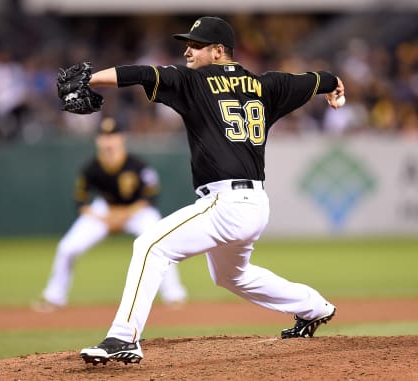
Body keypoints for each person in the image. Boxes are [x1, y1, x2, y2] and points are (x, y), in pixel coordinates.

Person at [61, 16, 344, 365]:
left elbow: (142, 74)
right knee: (230, 275)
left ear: (219, 51)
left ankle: (123, 337)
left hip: (226, 203)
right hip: (254, 203)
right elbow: (315, 80)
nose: (187, 51)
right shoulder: (268, 85)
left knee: (150, 246)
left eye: (196, 45)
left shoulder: (194, 82)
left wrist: (92, 78)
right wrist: (333, 85)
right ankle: (315, 308)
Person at [33, 116, 188, 312]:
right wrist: (104, 218)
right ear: (98, 140)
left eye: (113, 136)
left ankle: (174, 295)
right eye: (104, 136)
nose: (108, 141)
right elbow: (81, 202)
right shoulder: (91, 168)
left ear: (121, 138)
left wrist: (123, 215)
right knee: (67, 248)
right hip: (104, 210)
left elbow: (150, 197)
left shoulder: (137, 165)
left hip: (137, 212)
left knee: (160, 241)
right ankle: (54, 297)